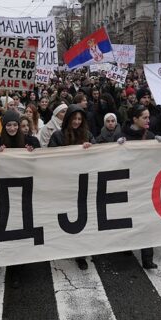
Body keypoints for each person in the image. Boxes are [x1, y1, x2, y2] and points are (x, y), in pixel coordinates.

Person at [47, 104, 94, 270]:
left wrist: (91, 149)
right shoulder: (58, 136)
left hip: (83, 183)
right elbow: (50, 157)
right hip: (64, 183)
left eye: (80, 119)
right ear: (68, 119)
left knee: (81, 220)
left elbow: (99, 155)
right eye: (74, 118)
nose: (77, 121)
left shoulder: (87, 135)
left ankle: (80, 254)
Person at [118, 105, 161, 269]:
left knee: (146, 219)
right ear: (135, 119)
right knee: (130, 216)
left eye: (148, 117)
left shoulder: (149, 135)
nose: (148, 120)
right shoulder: (123, 136)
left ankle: (147, 258)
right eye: (144, 117)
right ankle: (127, 245)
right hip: (129, 184)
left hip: (146, 183)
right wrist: (117, 146)